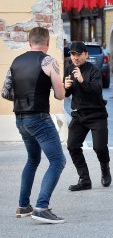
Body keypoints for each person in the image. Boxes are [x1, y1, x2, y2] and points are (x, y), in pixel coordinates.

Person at [1, 27, 66, 223]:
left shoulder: (16, 61)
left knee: (33, 160)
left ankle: (23, 206)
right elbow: (59, 94)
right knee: (57, 161)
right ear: (47, 43)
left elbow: (5, 92)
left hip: (20, 118)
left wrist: (22, 98)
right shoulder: (48, 61)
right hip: (38, 118)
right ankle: (41, 207)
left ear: (29, 43)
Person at [64, 41, 112, 192]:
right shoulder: (69, 68)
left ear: (86, 54)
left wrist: (82, 81)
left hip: (97, 114)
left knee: (99, 147)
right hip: (79, 115)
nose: (75, 57)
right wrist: (65, 88)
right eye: (73, 54)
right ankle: (84, 180)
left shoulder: (93, 70)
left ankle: (105, 167)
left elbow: (96, 91)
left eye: (79, 54)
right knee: (72, 146)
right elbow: (66, 94)